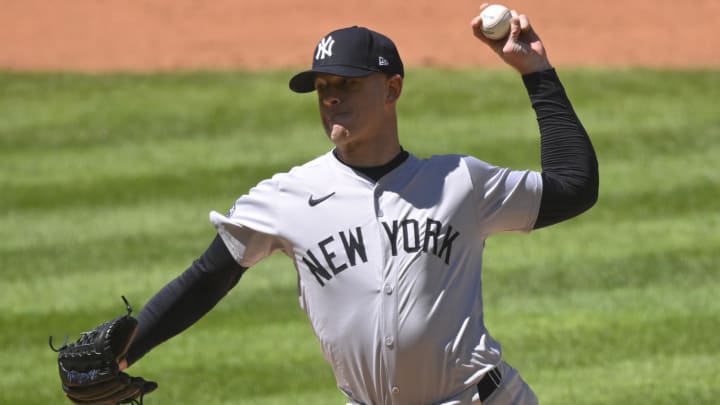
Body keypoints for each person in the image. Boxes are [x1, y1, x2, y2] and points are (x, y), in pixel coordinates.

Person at [118, 5, 598, 404]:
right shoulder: (286, 198)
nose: (331, 97)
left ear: (392, 88)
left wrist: (536, 72)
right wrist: (122, 353)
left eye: (346, 84)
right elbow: (208, 276)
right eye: (323, 87)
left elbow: (574, 186)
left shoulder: (459, 182)